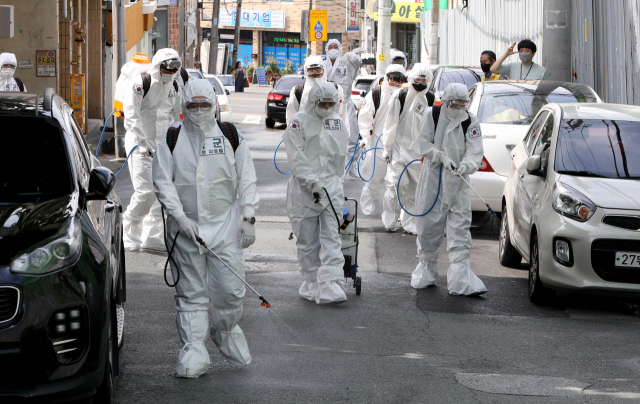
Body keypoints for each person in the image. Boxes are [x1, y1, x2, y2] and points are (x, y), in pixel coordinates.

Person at [153, 79, 259, 378]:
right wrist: (179, 217)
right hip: (185, 230)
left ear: (214, 105)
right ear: (183, 107)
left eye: (204, 104)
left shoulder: (229, 134)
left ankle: (225, 331)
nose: (199, 110)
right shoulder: (172, 138)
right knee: (191, 293)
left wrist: (248, 217)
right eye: (192, 105)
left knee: (230, 291)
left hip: (225, 226)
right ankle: (193, 350)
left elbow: (246, 177)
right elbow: (163, 181)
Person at [412, 83, 487, 296]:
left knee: (460, 229)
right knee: (428, 226)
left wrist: (466, 164)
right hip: (433, 178)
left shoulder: (470, 120)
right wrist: (441, 157)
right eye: (455, 104)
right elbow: (423, 143)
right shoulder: (432, 114)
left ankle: (461, 279)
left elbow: (475, 150)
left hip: (458, 181)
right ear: (445, 102)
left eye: (464, 104)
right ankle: (426, 270)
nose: (459, 108)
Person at [284, 82, 349, 304]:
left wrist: (335, 181)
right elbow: (296, 156)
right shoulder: (298, 122)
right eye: (323, 103)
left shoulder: (337, 122)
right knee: (306, 239)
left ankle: (330, 283)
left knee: (332, 236)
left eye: (332, 103)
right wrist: (311, 182)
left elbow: (341, 155)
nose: (328, 107)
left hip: (331, 187)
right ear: (313, 101)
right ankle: (311, 280)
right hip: (305, 191)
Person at [122, 48, 182, 252]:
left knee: (161, 193)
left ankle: (153, 237)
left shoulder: (173, 85)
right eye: (168, 67)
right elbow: (131, 114)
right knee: (146, 191)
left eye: (175, 68)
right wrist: (142, 143)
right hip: (140, 144)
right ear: (158, 66)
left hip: (163, 145)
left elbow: (176, 115)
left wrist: (176, 142)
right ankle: (129, 231)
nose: (171, 72)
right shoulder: (141, 84)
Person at [380, 63, 434, 234]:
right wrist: (387, 148)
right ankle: (389, 219)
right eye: (417, 79)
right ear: (411, 79)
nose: (420, 82)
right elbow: (390, 124)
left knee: (416, 190)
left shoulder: (431, 100)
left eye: (423, 79)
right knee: (394, 185)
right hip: (399, 150)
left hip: (419, 154)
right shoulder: (400, 96)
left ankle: (409, 222)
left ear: (429, 80)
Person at [357, 64, 407, 216]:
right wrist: (365, 138)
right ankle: (368, 210)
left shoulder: (406, 95)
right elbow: (365, 118)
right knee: (374, 179)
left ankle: (395, 211)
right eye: (392, 79)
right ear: (386, 78)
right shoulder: (376, 94)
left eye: (399, 80)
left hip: (399, 145)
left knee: (398, 181)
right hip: (377, 143)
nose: (395, 84)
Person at [323, 39, 361, 176]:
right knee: (327, 135)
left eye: (335, 46)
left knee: (351, 135)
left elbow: (357, 63)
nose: (333, 49)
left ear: (340, 49)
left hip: (345, 102)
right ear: (327, 49)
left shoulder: (347, 62)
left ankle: (352, 166)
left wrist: (353, 56)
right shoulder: (323, 64)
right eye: (330, 46)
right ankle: (329, 166)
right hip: (327, 104)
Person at [286, 55, 349, 134]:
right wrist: (294, 139)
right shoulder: (298, 91)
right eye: (311, 71)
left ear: (324, 70)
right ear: (306, 71)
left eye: (318, 70)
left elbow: (343, 116)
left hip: (331, 140)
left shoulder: (336, 89)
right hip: (306, 140)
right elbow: (291, 117)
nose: (314, 73)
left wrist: (344, 141)